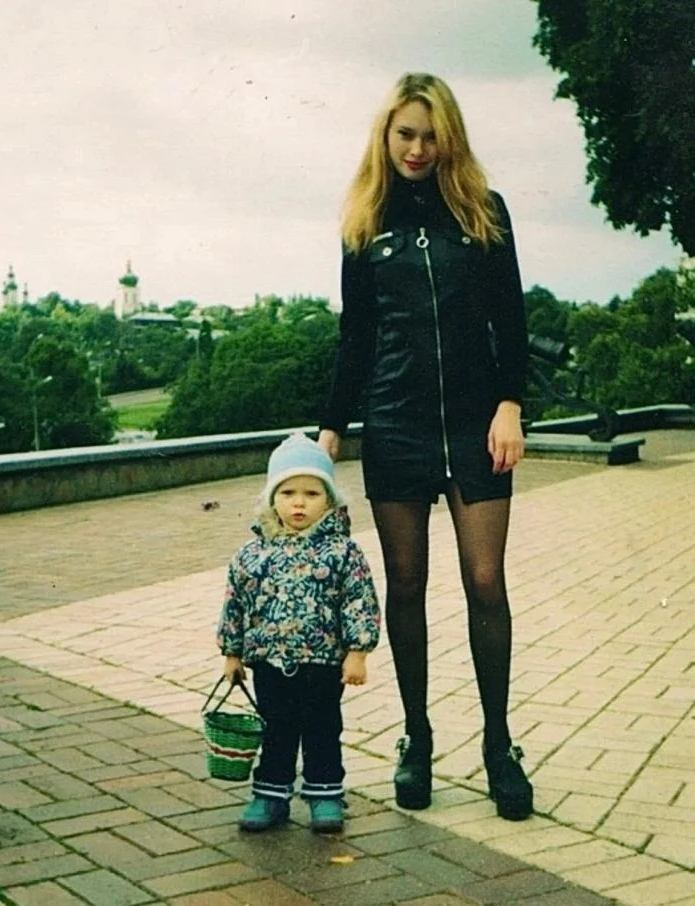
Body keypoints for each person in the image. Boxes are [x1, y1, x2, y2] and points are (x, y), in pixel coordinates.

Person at [318, 73, 533, 821]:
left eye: (430, 135)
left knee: (485, 582)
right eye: (405, 133)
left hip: (477, 427)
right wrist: (331, 428)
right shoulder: (364, 221)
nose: (417, 147)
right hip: (396, 425)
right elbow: (355, 335)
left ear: (450, 139)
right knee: (404, 586)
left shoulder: (483, 211)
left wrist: (511, 405)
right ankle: (417, 737)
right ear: (386, 137)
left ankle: (499, 745)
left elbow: (511, 317)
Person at [216, 432, 380, 833]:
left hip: (324, 662)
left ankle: (325, 795)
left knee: (323, 728)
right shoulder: (252, 554)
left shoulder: (342, 552)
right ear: (272, 498)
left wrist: (357, 652)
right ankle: (270, 796)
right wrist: (232, 653)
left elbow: (359, 600)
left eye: (311, 493)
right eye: (288, 492)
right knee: (277, 730)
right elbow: (235, 604)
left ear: (329, 500)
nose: (299, 503)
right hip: (269, 663)